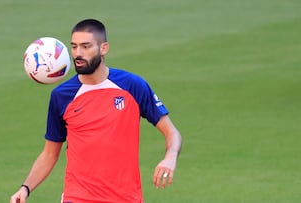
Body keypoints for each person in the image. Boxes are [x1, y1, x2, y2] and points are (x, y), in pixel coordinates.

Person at [10, 18, 182, 203]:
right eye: (74, 47)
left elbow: (171, 132)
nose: (78, 53)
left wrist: (170, 158)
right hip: (77, 198)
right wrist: (25, 188)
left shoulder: (132, 86)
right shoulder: (62, 96)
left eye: (86, 46)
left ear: (104, 48)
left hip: (126, 198)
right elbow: (50, 153)